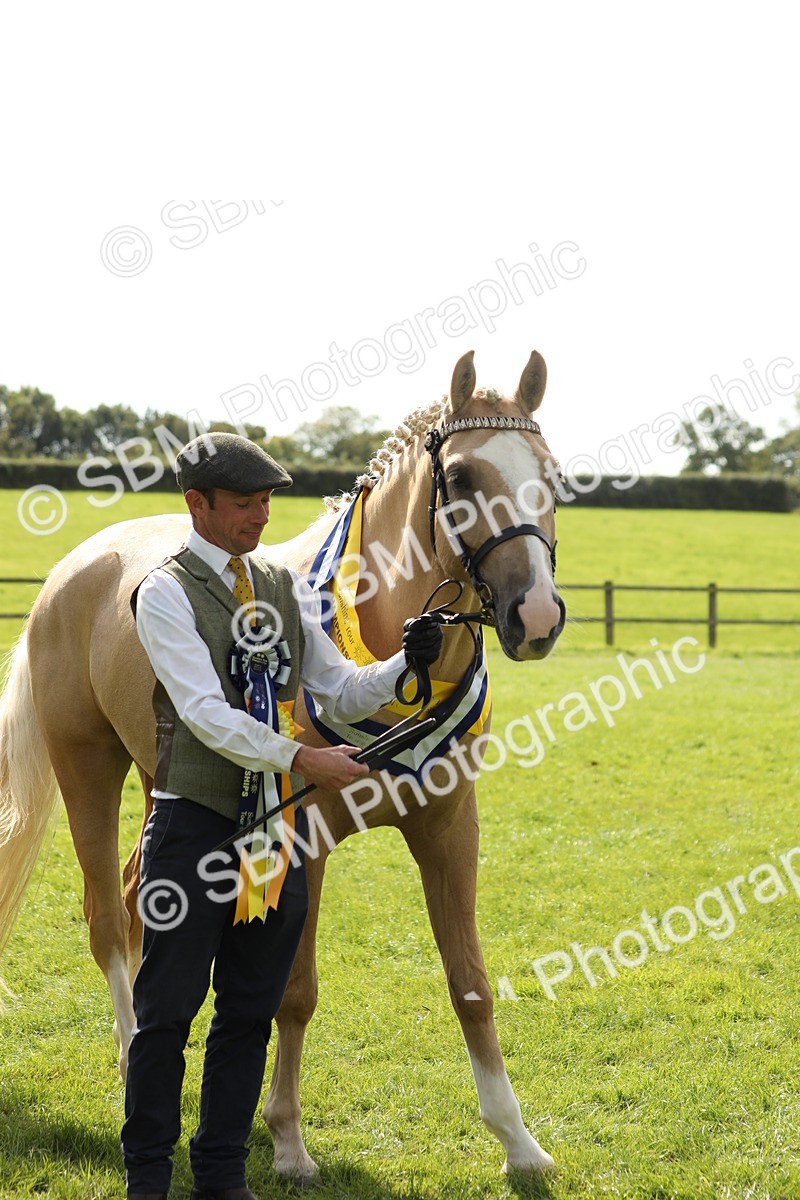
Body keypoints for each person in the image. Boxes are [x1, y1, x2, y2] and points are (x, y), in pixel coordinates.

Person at [121, 432, 442, 1200]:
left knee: (249, 1012)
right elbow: (202, 714)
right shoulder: (164, 593)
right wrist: (306, 760)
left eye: (266, 500)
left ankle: (223, 1174)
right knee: (165, 1014)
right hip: (193, 830)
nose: (260, 516)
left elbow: (338, 691)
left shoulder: (287, 588)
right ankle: (148, 1178)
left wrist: (408, 664)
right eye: (242, 503)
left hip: (273, 834)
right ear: (196, 504)